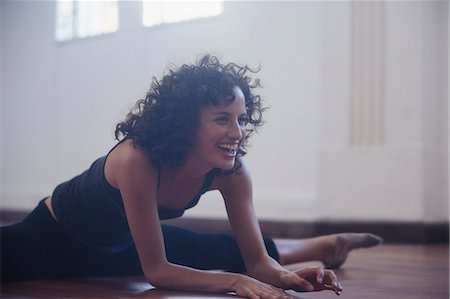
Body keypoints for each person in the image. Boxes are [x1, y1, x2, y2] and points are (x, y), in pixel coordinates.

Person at [0, 55, 382, 298]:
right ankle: (320, 244)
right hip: (52, 236)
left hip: (121, 245)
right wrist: (233, 282)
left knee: (221, 249)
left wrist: (290, 278)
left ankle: (324, 248)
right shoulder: (137, 159)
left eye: (242, 119)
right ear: (184, 123)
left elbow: (258, 264)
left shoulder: (232, 173)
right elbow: (158, 272)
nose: (238, 132)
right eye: (222, 119)